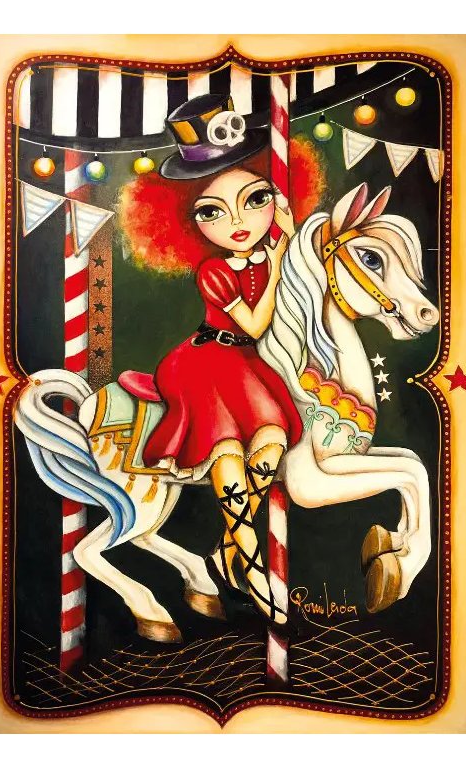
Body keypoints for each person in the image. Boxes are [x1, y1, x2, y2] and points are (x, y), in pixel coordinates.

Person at [118, 93, 323, 625]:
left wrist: (286, 249)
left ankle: (225, 548)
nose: (236, 221)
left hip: (247, 365)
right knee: (227, 450)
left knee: (271, 442)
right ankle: (252, 570)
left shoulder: (272, 255)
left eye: (255, 200)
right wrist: (278, 261)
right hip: (202, 363)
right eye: (212, 211)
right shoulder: (212, 271)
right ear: (189, 225)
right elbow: (253, 324)